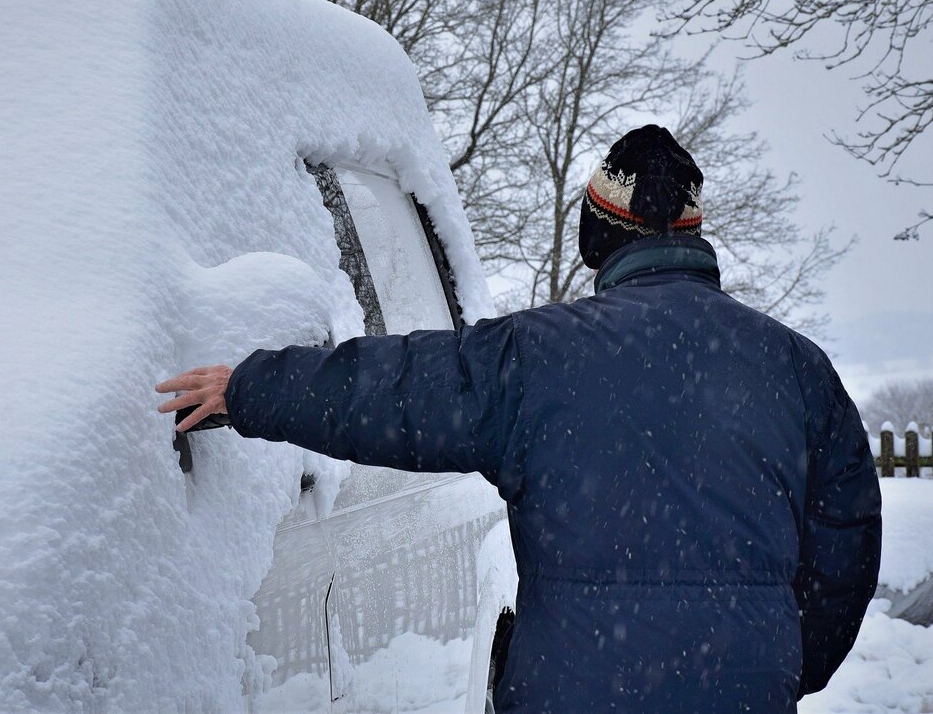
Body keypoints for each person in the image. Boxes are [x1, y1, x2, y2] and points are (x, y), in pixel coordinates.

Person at [156, 125, 882, 713]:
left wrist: (249, 388)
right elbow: (845, 555)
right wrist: (772, 662)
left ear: (598, 235)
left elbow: (391, 389)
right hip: (743, 693)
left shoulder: (536, 357)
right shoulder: (798, 369)